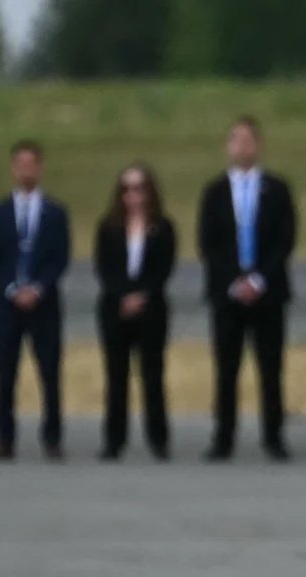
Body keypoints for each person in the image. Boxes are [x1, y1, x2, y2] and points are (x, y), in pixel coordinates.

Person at [197, 116, 297, 462]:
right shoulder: (214, 192)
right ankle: (223, 437)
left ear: (258, 145)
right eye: (236, 140)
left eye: (248, 140)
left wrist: (259, 278)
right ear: (228, 146)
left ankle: (274, 436)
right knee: (226, 368)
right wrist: (233, 280)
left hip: (267, 291)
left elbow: (286, 239)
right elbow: (208, 243)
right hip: (228, 293)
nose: (243, 146)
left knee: (270, 368)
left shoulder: (276, 188)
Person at [0, 140, 71, 461]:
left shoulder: (55, 212)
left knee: (49, 372)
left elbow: (60, 258)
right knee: (5, 373)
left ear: (40, 168)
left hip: (43, 305)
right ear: (13, 169)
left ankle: (52, 438)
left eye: (32, 164)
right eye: (20, 164)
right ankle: (5, 439)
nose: (26, 170)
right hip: (8, 305)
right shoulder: (0, 212)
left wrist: (38, 288)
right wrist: (11, 288)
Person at [93, 163, 177, 461]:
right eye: (127, 189)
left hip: (151, 310)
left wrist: (142, 295)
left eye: (139, 188)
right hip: (115, 309)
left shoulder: (163, 227)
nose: (133, 195)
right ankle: (114, 440)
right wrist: (123, 296)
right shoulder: (108, 227)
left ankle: (159, 439)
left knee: (152, 376)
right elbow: (104, 269)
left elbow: (164, 268)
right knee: (116, 377)